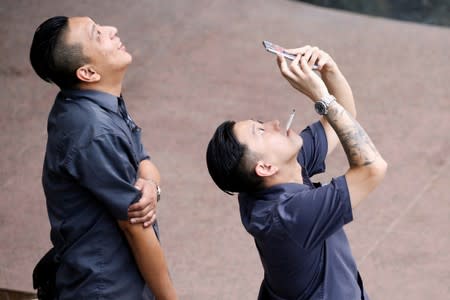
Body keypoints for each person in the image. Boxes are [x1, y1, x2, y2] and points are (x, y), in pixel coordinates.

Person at [206, 46, 388, 299]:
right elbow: (372, 168)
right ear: (265, 167)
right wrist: (323, 100)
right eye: (261, 131)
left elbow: (345, 117)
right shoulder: (290, 216)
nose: (274, 124)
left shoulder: (276, 175)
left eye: (260, 123)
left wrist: (328, 70)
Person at [30, 16, 177, 299]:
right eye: (98, 35)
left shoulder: (93, 100)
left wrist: (150, 183)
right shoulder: (94, 130)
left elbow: (143, 159)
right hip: (107, 287)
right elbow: (136, 227)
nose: (112, 29)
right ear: (87, 73)